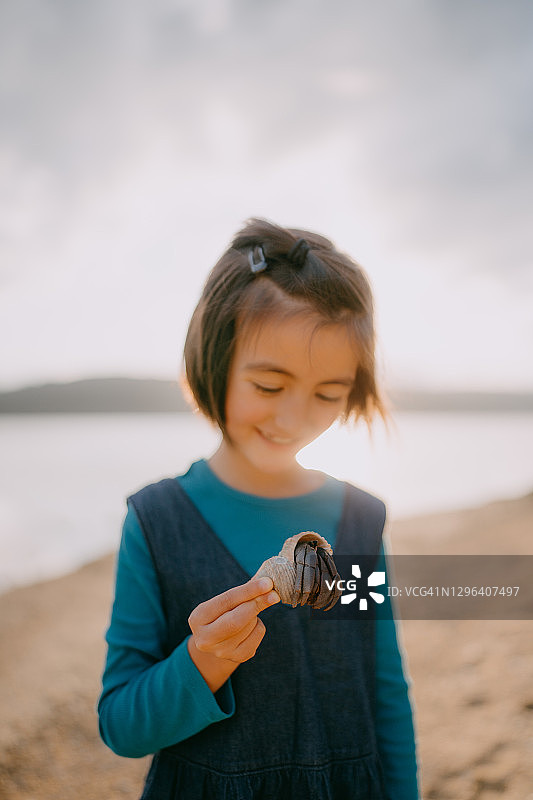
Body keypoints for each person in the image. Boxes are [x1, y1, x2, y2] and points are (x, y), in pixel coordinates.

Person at [98, 218, 420, 799]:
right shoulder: (156, 521)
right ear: (214, 360)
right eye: (269, 386)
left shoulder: (360, 521)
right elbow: (121, 726)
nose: (293, 419)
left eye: (328, 393)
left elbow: (387, 692)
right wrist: (202, 661)